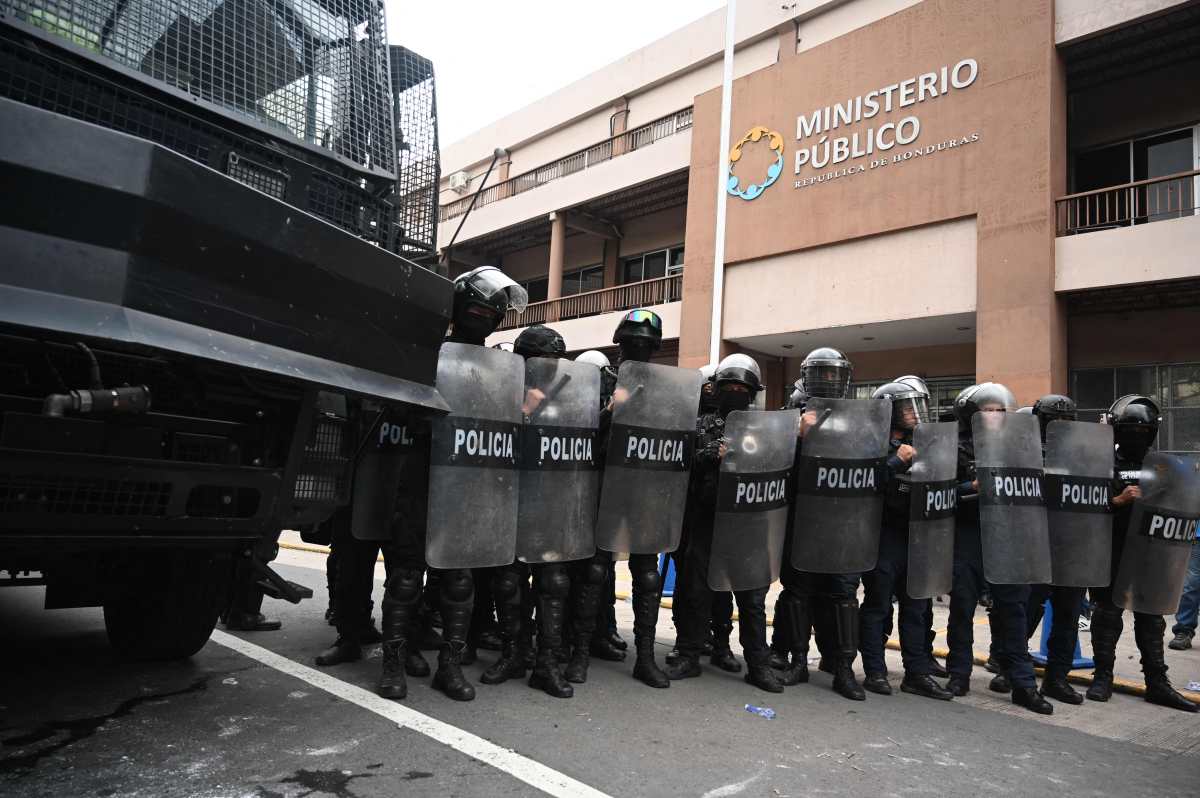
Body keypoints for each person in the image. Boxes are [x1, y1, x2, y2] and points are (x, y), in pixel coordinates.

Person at [371, 265, 527, 702]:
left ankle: (450, 667)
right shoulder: (428, 354)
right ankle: (393, 665)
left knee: (460, 580)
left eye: (493, 311)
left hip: (471, 487)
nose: (486, 316)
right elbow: (396, 407)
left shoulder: (503, 367)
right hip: (421, 479)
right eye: (479, 308)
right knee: (405, 578)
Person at [665, 354, 780, 692]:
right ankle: (688, 654)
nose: (736, 393)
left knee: (751, 599)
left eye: (742, 388)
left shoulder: (765, 429)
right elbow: (681, 464)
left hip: (749, 524)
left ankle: (758, 664)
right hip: (706, 521)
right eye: (729, 387)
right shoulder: (700, 425)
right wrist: (709, 454)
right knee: (697, 592)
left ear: (753, 392)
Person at [479, 324, 576, 698]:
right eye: (543, 360)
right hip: (513, 500)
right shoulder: (504, 391)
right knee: (508, 581)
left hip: (552, 502)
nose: (550, 367)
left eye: (555, 361)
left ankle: (546, 663)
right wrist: (524, 410)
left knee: (553, 583)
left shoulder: (570, 395)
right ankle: (512, 654)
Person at [944, 383, 1053, 714]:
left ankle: (1022, 683)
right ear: (971, 415)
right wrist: (971, 486)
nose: (995, 415)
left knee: (1013, 610)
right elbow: (938, 492)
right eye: (988, 410)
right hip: (969, 534)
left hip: (1009, 535)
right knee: (962, 607)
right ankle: (958, 674)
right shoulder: (953, 447)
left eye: (1000, 410)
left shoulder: (1021, 444)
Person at [1086, 395, 1197, 712]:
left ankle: (1157, 683)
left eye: (1142, 431)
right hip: (1112, 551)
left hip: (1151, 556)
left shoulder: (1164, 466)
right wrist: (1119, 500)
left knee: (1151, 619)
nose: (1137, 436)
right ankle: (1102, 676)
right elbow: (1083, 508)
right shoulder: (1102, 463)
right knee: (1107, 618)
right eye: (1131, 430)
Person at [771, 347, 866, 700]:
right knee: (799, 592)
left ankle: (843, 667)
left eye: (834, 375)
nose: (828, 381)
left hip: (844, 523)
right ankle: (796, 660)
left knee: (843, 595)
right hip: (802, 521)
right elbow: (772, 465)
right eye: (821, 374)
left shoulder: (858, 418)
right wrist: (795, 436)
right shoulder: (790, 417)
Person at [587, 309, 675, 688]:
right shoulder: (601, 381)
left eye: (646, 343)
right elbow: (580, 434)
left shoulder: (665, 387)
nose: (639, 348)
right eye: (633, 342)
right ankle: (581, 650)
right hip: (604, 488)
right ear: (619, 343)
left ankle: (645, 658)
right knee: (594, 571)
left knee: (648, 575)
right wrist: (609, 411)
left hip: (645, 492)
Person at [858, 381, 953, 700]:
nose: (915, 413)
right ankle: (874, 671)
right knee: (877, 606)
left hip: (917, 537)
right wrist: (896, 461)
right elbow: (860, 484)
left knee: (917, 607)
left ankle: (917, 673)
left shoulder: (925, 443)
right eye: (907, 407)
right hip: (882, 536)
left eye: (917, 406)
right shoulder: (869, 442)